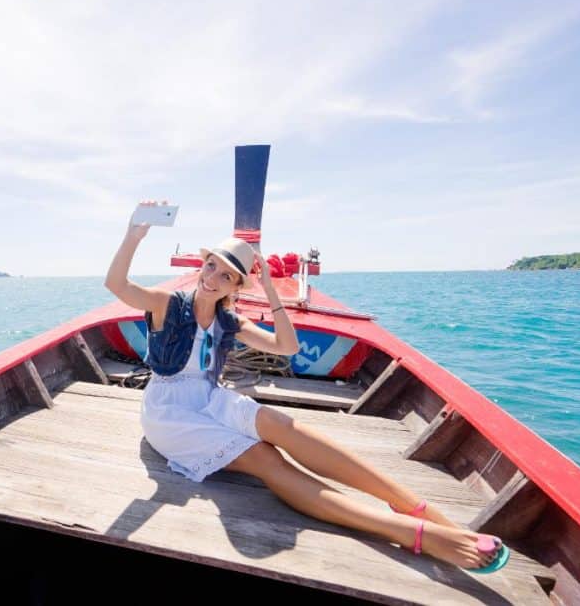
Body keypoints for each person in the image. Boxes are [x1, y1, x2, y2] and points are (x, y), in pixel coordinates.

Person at [104, 200, 508, 572]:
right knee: (266, 458)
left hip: (209, 399)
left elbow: (287, 345)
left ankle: (412, 506)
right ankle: (407, 532)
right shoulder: (167, 304)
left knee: (284, 427)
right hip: (170, 411)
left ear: (235, 286)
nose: (214, 278)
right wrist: (133, 234)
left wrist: (270, 294)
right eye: (213, 266)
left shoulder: (229, 322)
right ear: (203, 263)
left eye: (228, 275)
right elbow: (117, 285)